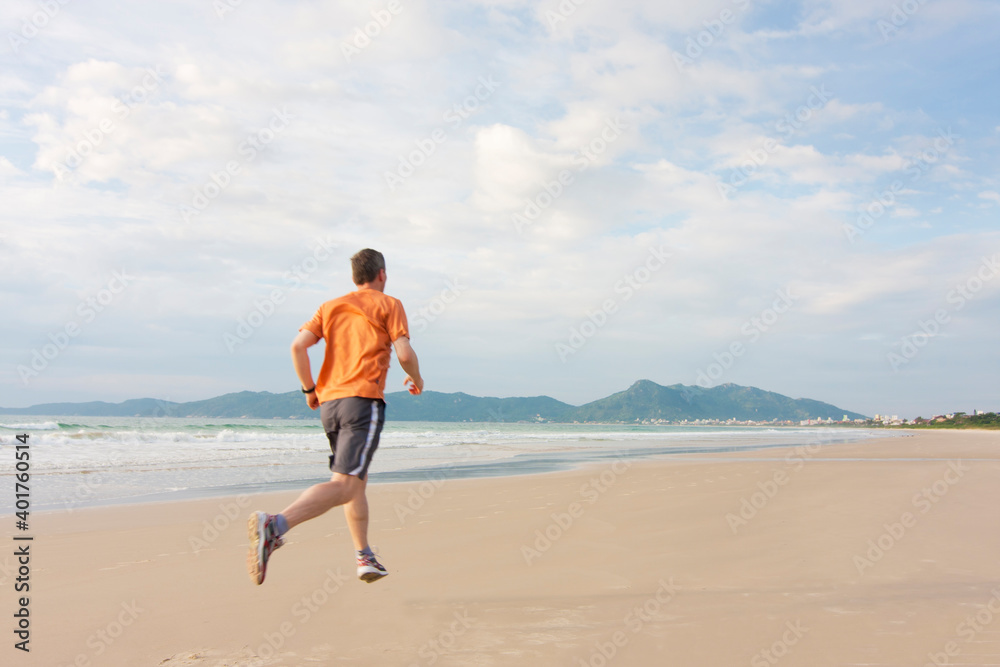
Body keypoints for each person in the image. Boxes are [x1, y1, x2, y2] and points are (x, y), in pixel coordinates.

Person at [247, 248, 424, 585]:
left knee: (355, 483)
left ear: (354, 277)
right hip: (362, 402)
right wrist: (417, 379)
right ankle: (275, 525)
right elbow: (403, 352)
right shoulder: (390, 304)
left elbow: (298, 346)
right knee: (344, 485)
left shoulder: (330, 307)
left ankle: (364, 556)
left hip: (330, 405)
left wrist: (309, 390)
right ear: (381, 274)